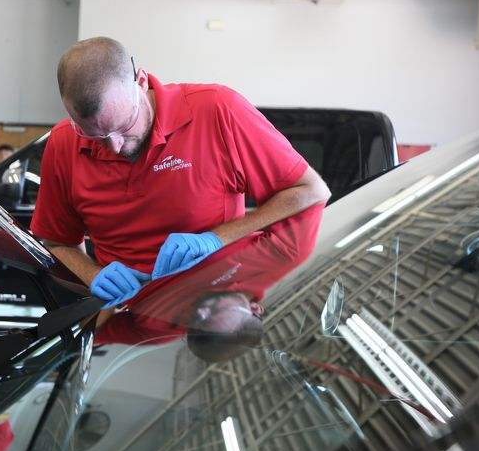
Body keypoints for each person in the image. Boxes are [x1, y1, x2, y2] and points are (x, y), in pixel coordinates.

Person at [30, 37, 330, 309]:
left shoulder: (217, 110)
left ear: (141, 81)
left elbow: (310, 190)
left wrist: (216, 239)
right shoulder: (63, 143)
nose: (115, 146)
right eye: (93, 134)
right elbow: (57, 244)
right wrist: (92, 274)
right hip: (127, 320)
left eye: (123, 126)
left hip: (212, 311)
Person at [94, 203, 324, 362]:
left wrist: (106, 290)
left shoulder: (159, 329)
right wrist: (220, 236)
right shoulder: (283, 256)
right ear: (255, 309)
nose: (202, 311)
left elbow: (92, 333)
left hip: (98, 231)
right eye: (215, 312)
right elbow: (307, 194)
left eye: (196, 324)